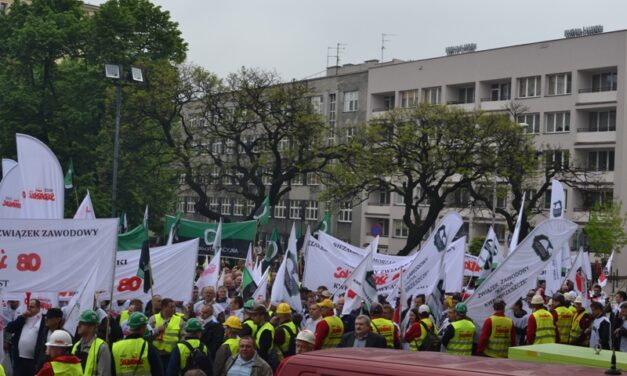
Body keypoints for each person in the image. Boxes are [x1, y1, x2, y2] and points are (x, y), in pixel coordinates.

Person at [6, 299, 47, 375]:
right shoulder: (23, 318)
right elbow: (9, 328)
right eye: (28, 307)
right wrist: (22, 317)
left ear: (38, 308)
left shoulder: (43, 320)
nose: (29, 309)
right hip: (19, 358)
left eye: (32, 307)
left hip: (34, 360)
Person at [71, 310, 111, 375]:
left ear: (91, 328)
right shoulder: (76, 345)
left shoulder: (102, 347)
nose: (78, 326)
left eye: (82, 323)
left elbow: (104, 373)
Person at [151, 298, 185, 368]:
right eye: (171, 307)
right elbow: (147, 334)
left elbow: (184, 336)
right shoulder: (153, 319)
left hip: (172, 354)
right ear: (163, 308)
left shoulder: (180, 320)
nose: (174, 309)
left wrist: (179, 348)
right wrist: (156, 330)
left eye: (174, 306)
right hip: (157, 353)